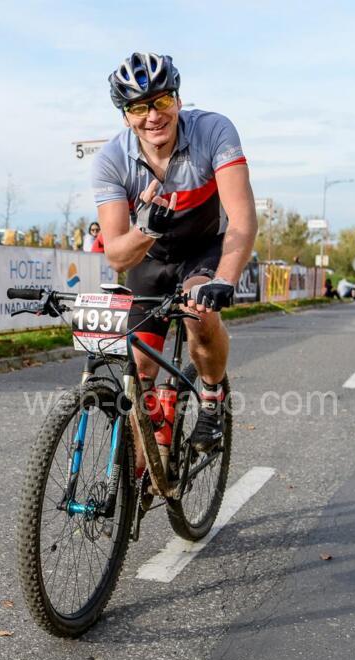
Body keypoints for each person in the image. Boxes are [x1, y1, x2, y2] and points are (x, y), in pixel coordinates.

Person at [92, 51, 256, 456]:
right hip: (151, 257)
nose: (153, 116)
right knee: (139, 370)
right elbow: (117, 256)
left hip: (203, 246)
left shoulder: (213, 131)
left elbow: (242, 219)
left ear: (178, 100)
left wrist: (224, 279)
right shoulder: (111, 161)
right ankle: (151, 465)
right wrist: (146, 228)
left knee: (199, 311)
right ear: (125, 117)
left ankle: (212, 399)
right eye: (138, 108)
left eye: (162, 101)